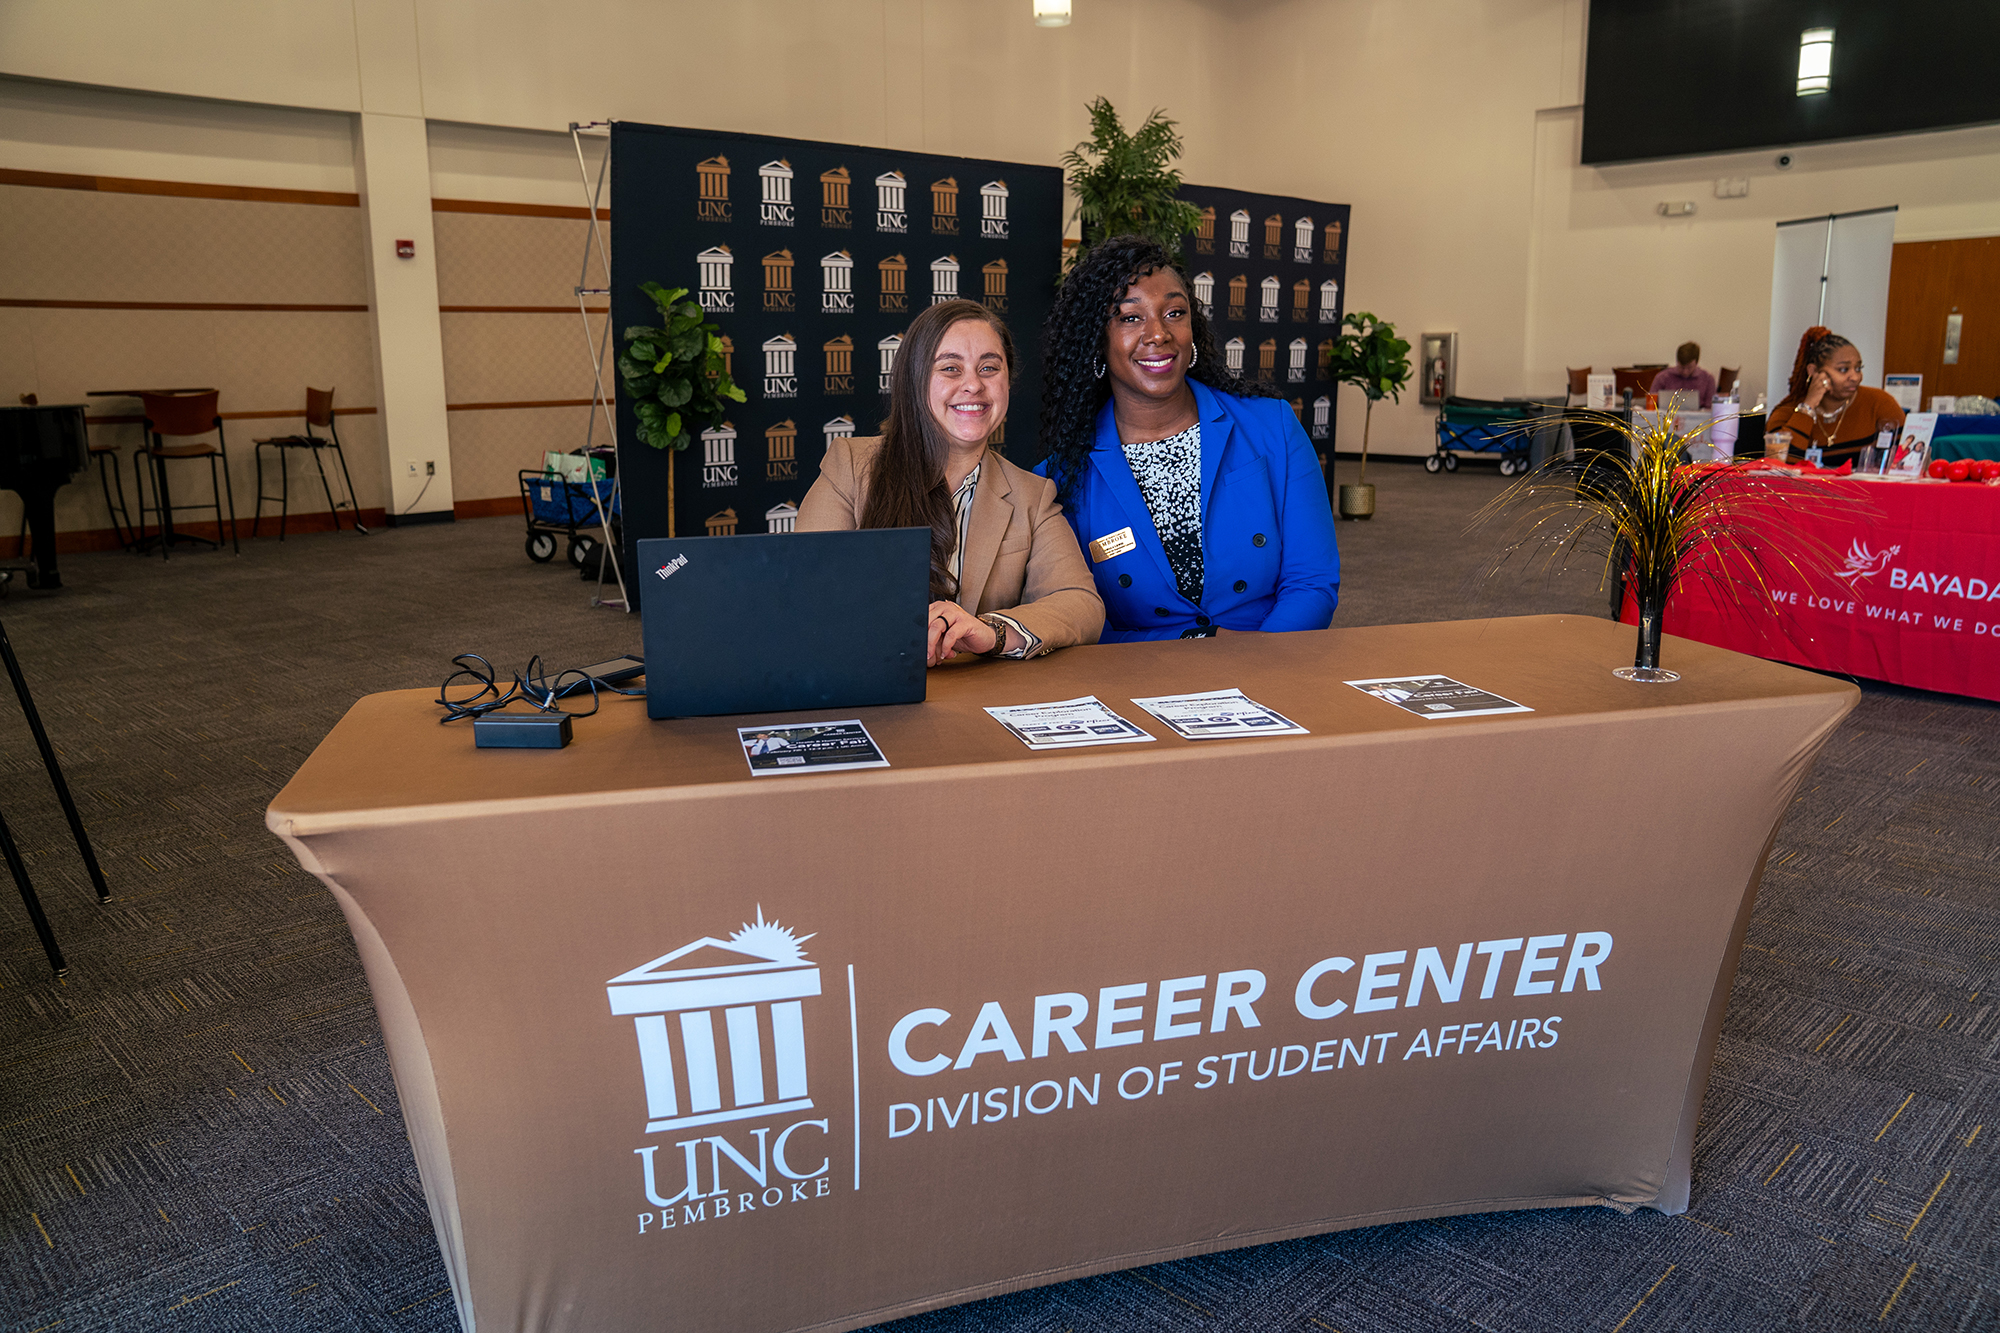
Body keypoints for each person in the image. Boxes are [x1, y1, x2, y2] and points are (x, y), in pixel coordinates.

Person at [1034, 235, 1340, 641]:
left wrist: (1258, 663)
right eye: (1130, 318)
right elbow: (1082, 618)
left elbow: (1312, 583)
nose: (1158, 333)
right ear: (1097, 340)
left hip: (1272, 663)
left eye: (1174, 313)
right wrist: (1191, 656)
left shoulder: (1272, 427)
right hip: (1140, 677)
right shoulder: (1063, 477)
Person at [798, 299, 1103, 665]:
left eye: (989, 368)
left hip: (976, 703)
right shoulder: (849, 466)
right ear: (915, 378)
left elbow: (1080, 603)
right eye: (951, 368)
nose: (973, 385)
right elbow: (809, 598)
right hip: (868, 688)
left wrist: (991, 631)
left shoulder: (1032, 495)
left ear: (1008, 382)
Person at [1765, 326, 1904, 466]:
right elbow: (1780, 469)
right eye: (1843, 369)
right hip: (1807, 488)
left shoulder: (1880, 403)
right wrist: (1808, 406)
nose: (1855, 377)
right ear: (1813, 371)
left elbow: (1906, 460)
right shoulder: (1786, 412)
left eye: (1858, 368)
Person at [1649, 342, 1715, 409]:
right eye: (1681, 367)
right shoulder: (1663, 377)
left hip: (1699, 417)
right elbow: (1651, 402)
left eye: (1689, 368)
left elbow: (1710, 408)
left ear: (1697, 363)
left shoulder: (1707, 379)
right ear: (1677, 362)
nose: (1685, 372)